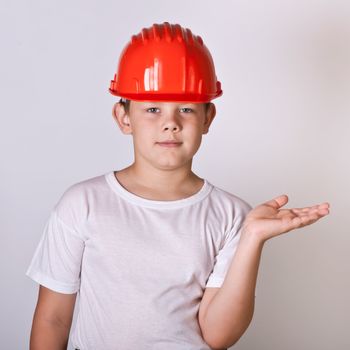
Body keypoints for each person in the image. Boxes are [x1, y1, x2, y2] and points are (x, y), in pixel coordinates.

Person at [26, 22, 330, 350]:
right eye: (153, 109)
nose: (170, 122)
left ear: (207, 118)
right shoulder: (81, 204)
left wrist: (252, 238)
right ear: (123, 117)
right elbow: (52, 318)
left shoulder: (231, 215)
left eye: (185, 108)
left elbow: (218, 336)